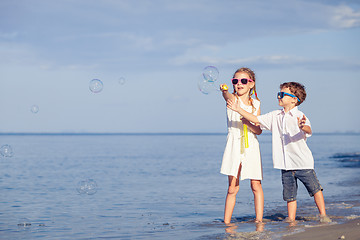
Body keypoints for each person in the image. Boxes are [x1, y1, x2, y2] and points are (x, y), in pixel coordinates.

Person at [227, 81, 331, 223]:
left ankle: (323, 214)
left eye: (282, 94)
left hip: (303, 163)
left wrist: (303, 127)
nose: (278, 97)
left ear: (294, 100)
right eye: (278, 94)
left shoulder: (300, 116)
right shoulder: (275, 116)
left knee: (315, 190)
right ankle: (291, 218)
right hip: (285, 164)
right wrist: (239, 110)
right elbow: (256, 119)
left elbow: (308, 130)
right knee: (290, 195)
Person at [219, 67, 264, 224]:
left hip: (251, 144)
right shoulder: (232, 100)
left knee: (255, 185)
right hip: (234, 144)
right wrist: (224, 90)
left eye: (243, 81)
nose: (239, 83)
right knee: (232, 187)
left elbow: (258, 130)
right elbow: (226, 96)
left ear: (251, 84)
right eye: (235, 81)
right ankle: (227, 223)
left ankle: (259, 220)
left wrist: (247, 121)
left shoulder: (256, 104)